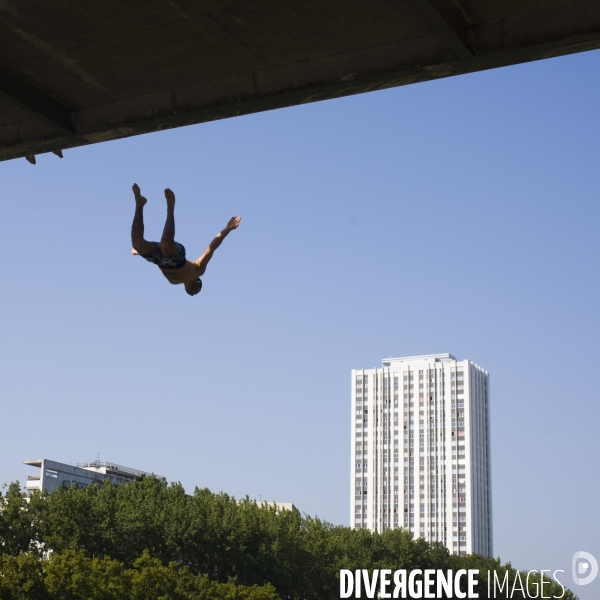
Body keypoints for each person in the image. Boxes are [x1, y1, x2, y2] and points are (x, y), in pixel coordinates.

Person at [130, 184, 241, 296]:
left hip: (159, 260)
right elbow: (211, 249)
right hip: (177, 257)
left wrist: (139, 252)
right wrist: (227, 229)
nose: (192, 294)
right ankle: (170, 208)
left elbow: (158, 261)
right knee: (165, 246)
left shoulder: (174, 283)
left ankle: (140, 203)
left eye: (191, 293)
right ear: (198, 282)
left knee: (137, 244)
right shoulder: (198, 270)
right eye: (195, 291)